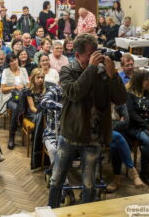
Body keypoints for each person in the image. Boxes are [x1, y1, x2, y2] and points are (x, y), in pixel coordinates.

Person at [48, 33, 127, 208]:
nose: (96, 57)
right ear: (77, 55)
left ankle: (86, 212)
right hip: (70, 135)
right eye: (91, 54)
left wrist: (113, 75)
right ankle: (50, 211)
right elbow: (75, 93)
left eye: (96, 53)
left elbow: (121, 99)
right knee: (56, 179)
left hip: (94, 137)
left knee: (89, 184)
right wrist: (91, 69)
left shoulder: (103, 72)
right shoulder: (67, 70)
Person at [106, 104, 144, 192]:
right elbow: (99, 123)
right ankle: (133, 173)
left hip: (116, 134)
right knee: (118, 137)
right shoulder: (99, 102)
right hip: (101, 133)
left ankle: (117, 179)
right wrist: (118, 122)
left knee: (115, 143)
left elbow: (126, 122)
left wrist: (110, 125)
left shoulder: (120, 103)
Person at [0, 53, 29, 149]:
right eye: (11, 61)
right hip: (9, 97)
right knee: (16, 105)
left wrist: (23, 87)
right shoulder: (6, 71)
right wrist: (15, 87)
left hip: (22, 96)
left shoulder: (23, 70)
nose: (14, 62)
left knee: (19, 102)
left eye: (15, 59)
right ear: (8, 63)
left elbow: (28, 85)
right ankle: (18, 121)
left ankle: (12, 137)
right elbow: (3, 89)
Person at [40, 84, 63, 186]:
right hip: (52, 133)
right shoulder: (56, 90)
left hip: (72, 135)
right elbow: (44, 101)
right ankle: (62, 185)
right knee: (55, 151)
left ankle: (51, 173)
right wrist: (64, 107)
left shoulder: (79, 90)